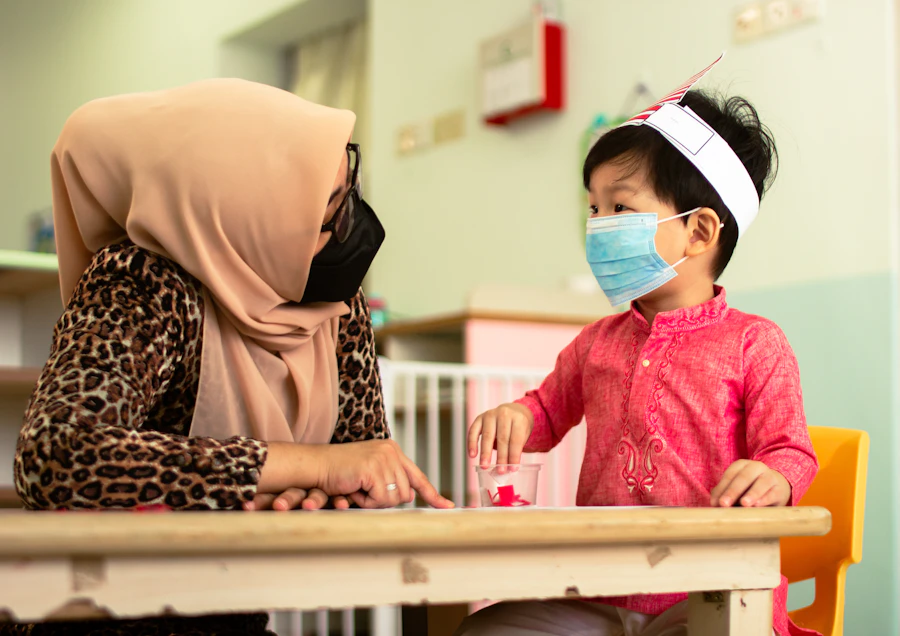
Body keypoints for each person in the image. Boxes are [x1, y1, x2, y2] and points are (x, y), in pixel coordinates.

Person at [8, 79, 451, 636]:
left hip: (228, 613)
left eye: (349, 192)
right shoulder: (142, 283)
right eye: (330, 213)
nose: (349, 230)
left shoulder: (335, 301)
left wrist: (324, 485)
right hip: (99, 616)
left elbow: (356, 456)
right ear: (247, 219)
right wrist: (307, 465)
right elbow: (58, 457)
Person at [459, 69, 819, 635]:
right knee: (489, 629)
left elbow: (790, 450)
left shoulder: (756, 342)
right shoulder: (595, 342)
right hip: (598, 592)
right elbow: (547, 412)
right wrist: (517, 416)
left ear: (699, 232)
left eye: (620, 209)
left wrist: (775, 476)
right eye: (594, 208)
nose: (598, 226)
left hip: (711, 595)